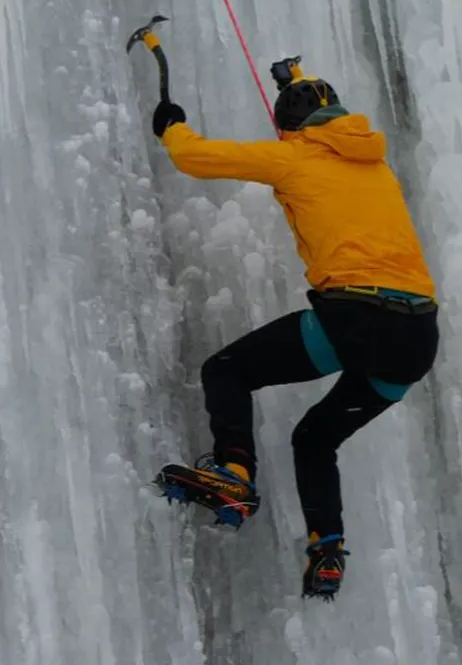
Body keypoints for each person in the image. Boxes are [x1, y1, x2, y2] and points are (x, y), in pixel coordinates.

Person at [150, 58, 439, 600]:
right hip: (418, 336)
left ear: (291, 127)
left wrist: (172, 124)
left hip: (357, 315)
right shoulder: (374, 163)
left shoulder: (295, 157)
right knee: (314, 438)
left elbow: (194, 157)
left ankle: (234, 475)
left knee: (228, 370)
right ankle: (326, 550)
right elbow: (318, 118)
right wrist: (295, 77)